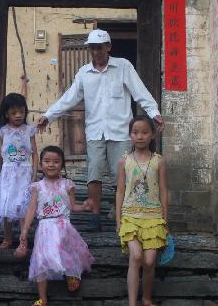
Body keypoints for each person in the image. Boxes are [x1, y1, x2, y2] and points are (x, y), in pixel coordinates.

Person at [36, 28, 163, 224]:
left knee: (122, 173)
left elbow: (140, 92)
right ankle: (95, 215)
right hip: (95, 131)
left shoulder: (123, 66)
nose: (96, 52)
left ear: (108, 47)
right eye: (92, 49)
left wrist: (154, 113)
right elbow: (69, 98)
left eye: (99, 48)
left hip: (120, 131)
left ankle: (122, 213)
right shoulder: (84, 73)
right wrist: (48, 115)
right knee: (94, 172)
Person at [18, 145, 94, 306]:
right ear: (40, 164)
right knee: (41, 261)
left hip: (63, 225)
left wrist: (85, 207)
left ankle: (72, 275)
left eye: (56, 161)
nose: (51, 165)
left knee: (68, 252)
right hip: (45, 227)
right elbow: (31, 209)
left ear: (62, 164)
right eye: (46, 161)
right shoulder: (37, 187)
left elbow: (73, 206)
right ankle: (42, 298)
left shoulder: (67, 184)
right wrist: (25, 229)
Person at [115, 114, 168, 306]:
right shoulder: (124, 161)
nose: (140, 136)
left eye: (145, 132)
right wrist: (118, 220)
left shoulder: (159, 161)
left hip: (153, 217)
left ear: (152, 134)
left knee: (149, 260)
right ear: (130, 134)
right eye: (135, 132)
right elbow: (120, 190)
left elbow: (164, 190)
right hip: (130, 216)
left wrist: (165, 218)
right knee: (136, 257)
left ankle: (146, 299)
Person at [0, 92, 38, 252]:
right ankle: (8, 238)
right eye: (14, 113)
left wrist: (34, 174)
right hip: (7, 174)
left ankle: (23, 240)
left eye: (21, 112)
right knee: (5, 205)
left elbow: (35, 154)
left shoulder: (29, 131)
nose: (18, 115)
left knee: (22, 205)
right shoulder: (2, 132)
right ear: (6, 114)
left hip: (25, 173)